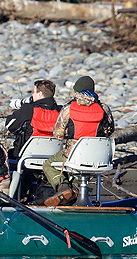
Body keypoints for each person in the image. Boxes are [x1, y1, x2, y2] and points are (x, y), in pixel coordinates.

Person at [42, 76, 115, 206]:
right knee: (78, 166)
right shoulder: (104, 109)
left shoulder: (68, 109)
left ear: (76, 92)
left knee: (49, 164)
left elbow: (57, 134)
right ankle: (77, 191)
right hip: (100, 157)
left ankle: (64, 187)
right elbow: (110, 130)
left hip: (74, 155)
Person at [5, 79, 62, 161]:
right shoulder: (60, 110)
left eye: (34, 92)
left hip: (27, 157)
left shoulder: (30, 109)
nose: (32, 94)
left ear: (40, 94)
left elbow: (10, 125)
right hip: (53, 157)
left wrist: (22, 109)